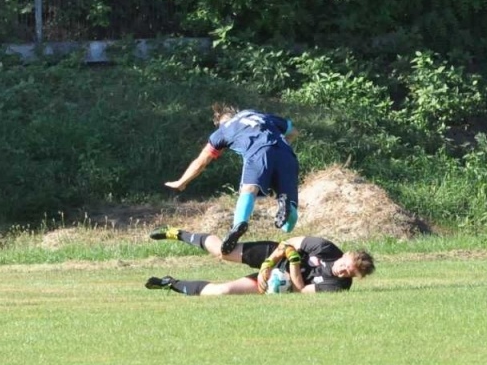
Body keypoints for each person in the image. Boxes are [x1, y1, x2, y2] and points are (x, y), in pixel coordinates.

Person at [166, 105, 300, 246]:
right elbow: (293, 132)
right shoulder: (260, 115)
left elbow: (201, 162)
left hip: (258, 152)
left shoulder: (223, 131)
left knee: (249, 190)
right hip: (287, 154)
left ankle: (238, 225)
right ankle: (286, 205)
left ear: (221, 122)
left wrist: (181, 181)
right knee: (288, 226)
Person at [144, 227, 374, 295]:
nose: (344, 272)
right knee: (222, 252)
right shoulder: (326, 247)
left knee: (222, 292)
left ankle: (170, 283)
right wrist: (268, 264)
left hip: (279, 282)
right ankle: (178, 233)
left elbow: (301, 290)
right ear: (345, 255)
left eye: (350, 274)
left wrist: (293, 264)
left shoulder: (338, 287)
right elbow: (288, 243)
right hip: (273, 254)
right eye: (346, 265)